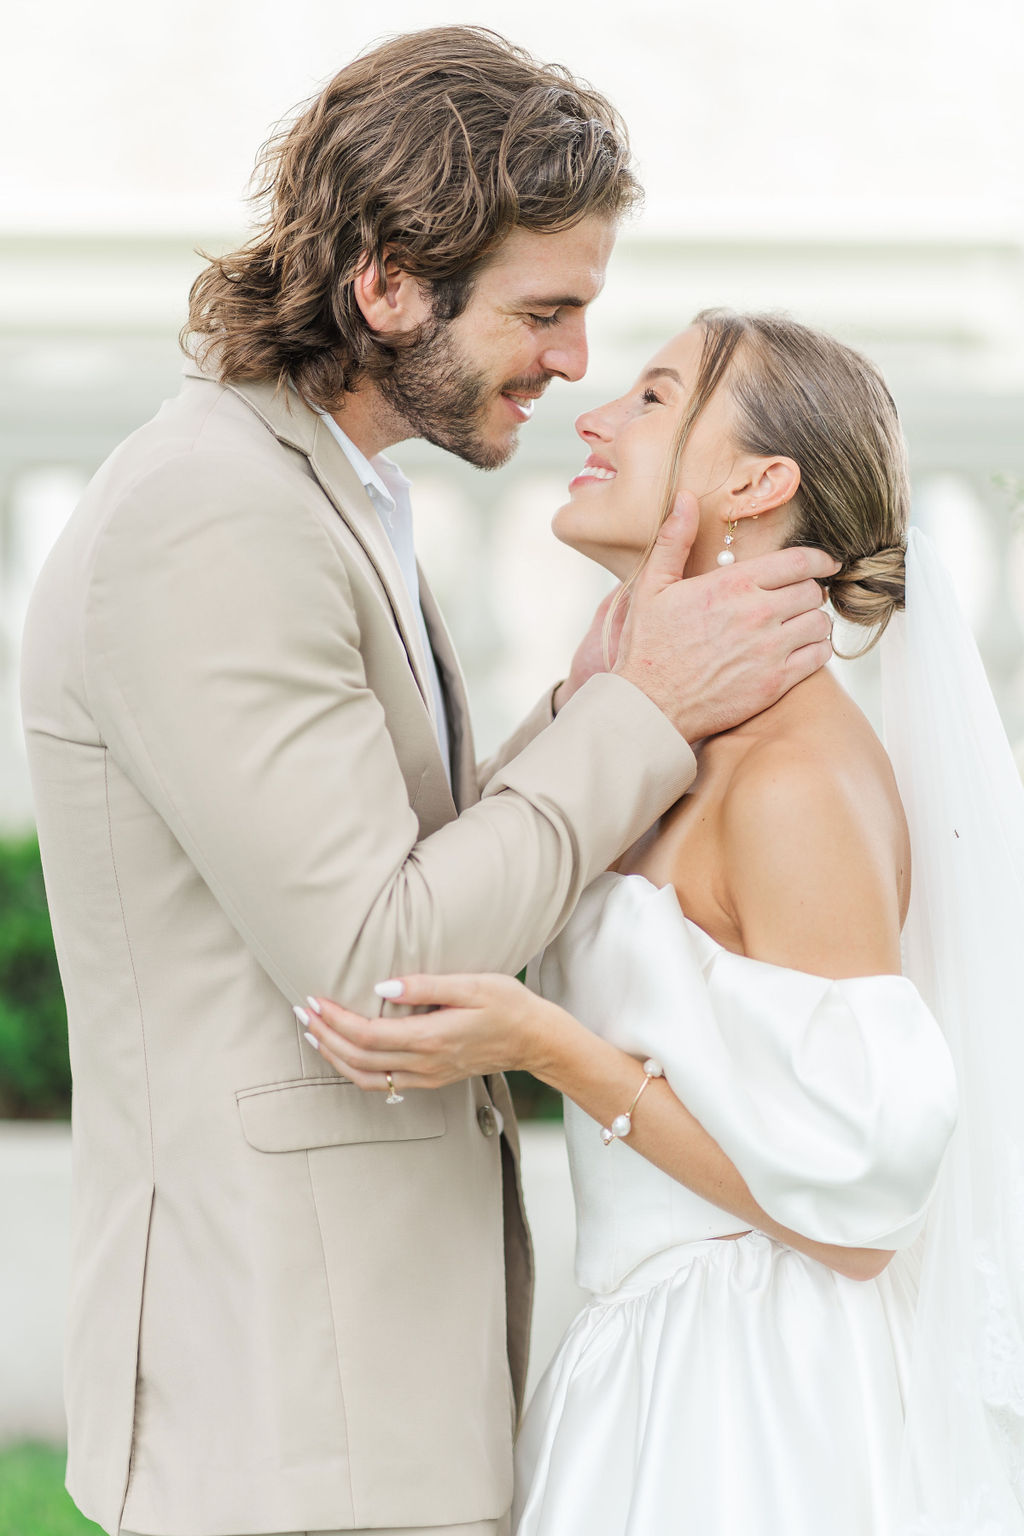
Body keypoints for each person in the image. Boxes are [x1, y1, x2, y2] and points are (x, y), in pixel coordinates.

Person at [18, 30, 837, 1536]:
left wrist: (592, 702)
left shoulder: (332, 493)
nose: (579, 360)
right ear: (388, 285)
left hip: (360, 1393)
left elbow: (420, 860)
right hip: (280, 1412)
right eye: (546, 309)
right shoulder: (215, 512)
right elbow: (379, 959)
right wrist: (641, 712)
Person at [304, 310, 1024, 1533]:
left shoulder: (797, 776)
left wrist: (545, 1044)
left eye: (649, 397)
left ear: (756, 482)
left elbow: (862, 1212)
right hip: (640, 1360)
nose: (590, 413)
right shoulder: (666, 744)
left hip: (760, 1403)